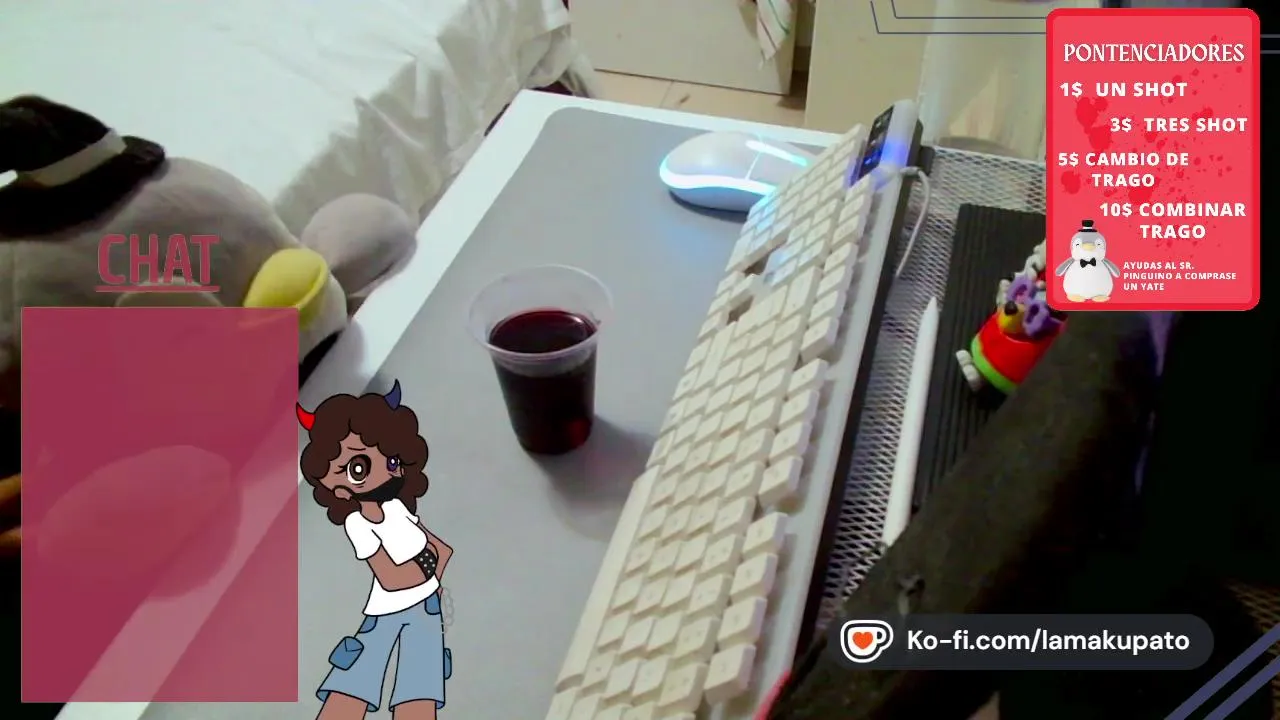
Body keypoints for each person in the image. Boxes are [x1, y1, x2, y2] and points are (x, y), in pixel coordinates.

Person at [297, 381, 454, 720]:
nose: (386, 472)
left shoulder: (397, 507)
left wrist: (428, 576)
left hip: (427, 610)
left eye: (392, 460)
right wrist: (427, 566)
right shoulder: (358, 523)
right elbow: (391, 577)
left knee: (420, 692)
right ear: (335, 487)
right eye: (359, 468)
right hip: (386, 612)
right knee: (352, 686)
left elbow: (442, 549)